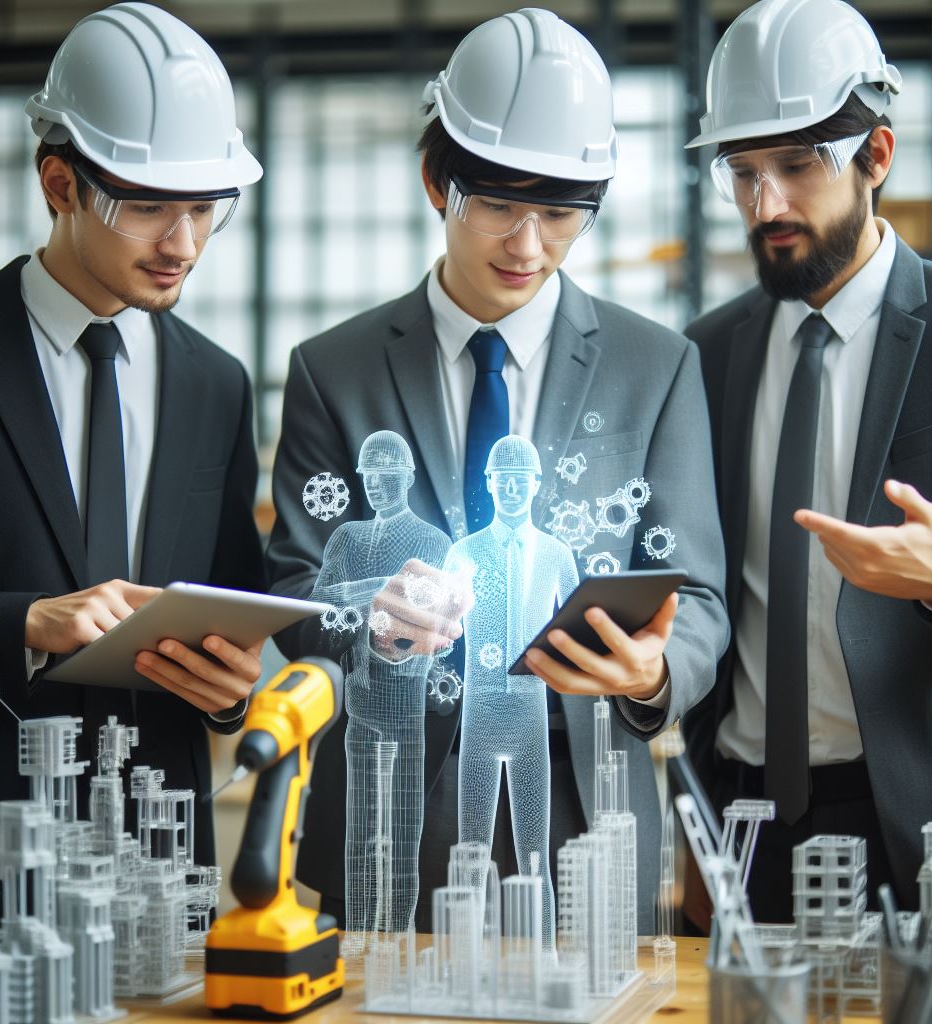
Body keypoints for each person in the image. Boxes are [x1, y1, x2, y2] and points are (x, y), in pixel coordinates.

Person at [267, 8, 728, 933]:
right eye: (498, 206)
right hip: (389, 810)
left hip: (584, 808)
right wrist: (371, 622)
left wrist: (651, 674)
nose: (527, 246)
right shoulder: (334, 369)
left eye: (560, 214)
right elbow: (293, 587)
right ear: (438, 181)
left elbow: (702, 599)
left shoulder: (657, 367)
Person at [0, 2, 265, 867]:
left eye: (207, 209)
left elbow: (234, 604)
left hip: (162, 849)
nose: (184, 243)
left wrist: (234, 694)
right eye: (152, 208)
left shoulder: (217, 384)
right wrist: (23, 622)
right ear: (59, 185)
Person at [682, 0, 932, 924]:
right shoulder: (705, 355)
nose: (765, 205)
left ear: (877, 157)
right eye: (743, 172)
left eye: (799, 167)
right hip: (738, 822)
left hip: (923, 824)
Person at [308, 430, 453, 946]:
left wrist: (363, 599)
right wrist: (378, 593)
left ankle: (394, 947)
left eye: (388, 476)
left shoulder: (434, 543)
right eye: (370, 476)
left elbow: (438, 627)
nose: (376, 485)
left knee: (401, 841)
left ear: (408, 478)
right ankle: (365, 948)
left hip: (408, 712)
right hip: (362, 708)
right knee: (363, 840)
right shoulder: (346, 538)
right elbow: (320, 615)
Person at [445, 435, 579, 951]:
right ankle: (463, 963)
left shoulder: (555, 553)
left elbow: (580, 623)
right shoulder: (465, 553)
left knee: (534, 851)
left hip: (529, 714)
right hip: (478, 712)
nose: (514, 489)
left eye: (524, 479)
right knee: (471, 849)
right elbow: (441, 626)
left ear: (537, 484)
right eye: (505, 480)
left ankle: (542, 955)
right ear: (491, 484)